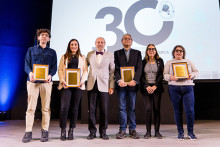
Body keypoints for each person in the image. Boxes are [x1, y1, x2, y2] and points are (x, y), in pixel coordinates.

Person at [22, 29, 57, 143]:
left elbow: (54, 67)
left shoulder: (52, 52)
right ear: (38, 38)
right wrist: (30, 73)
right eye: (42, 35)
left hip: (46, 83)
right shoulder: (31, 50)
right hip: (32, 82)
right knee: (30, 108)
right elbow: (27, 64)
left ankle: (45, 130)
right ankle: (28, 132)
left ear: (49, 39)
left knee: (46, 108)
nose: (43, 37)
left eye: (46, 36)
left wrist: (50, 75)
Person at [163, 45, 199, 140]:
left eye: (181, 51)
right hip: (174, 88)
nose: (179, 52)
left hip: (188, 88)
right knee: (177, 112)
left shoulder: (189, 62)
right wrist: (170, 77)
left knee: (190, 111)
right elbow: (165, 74)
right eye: (177, 50)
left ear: (183, 53)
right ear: (173, 52)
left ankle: (190, 133)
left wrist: (191, 75)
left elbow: (196, 72)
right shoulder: (169, 63)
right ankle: (180, 133)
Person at [57, 39, 88, 141]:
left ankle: (71, 130)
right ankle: (63, 130)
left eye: (75, 44)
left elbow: (85, 71)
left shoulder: (83, 57)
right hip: (66, 86)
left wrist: (82, 81)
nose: (74, 46)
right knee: (64, 108)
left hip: (78, 86)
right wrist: (62, 81)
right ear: (69, 46)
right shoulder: (64, 56)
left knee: (75, 108)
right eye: (72, 44)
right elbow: (60, 69)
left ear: (78, 46)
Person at [86, 37, 115, 140]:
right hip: (91, 85)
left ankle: (103, 132)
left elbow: (112, 72)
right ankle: (92, 132)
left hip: (104, 85)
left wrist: (111, 86)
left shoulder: (110, 55)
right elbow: (84, 68)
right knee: (91, 110)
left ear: (104, 44)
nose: (100, 44)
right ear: (95, 43)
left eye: (102, 42)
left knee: (104, 110)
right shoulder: (89, 54)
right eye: (98, 42)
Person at [114, 34, 142, 139]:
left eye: (129, 39)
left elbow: (139, 68)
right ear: (122, 41)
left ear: (132, 41)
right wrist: (119, 80)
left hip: (132, 85)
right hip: (121, 85)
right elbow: (116, 68)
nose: (127, 40)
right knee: (122, 108)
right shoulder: (117, 53)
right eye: (125, 39)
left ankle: (132, 129)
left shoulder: (137, 53)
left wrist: (135, 80)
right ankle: (122, 130)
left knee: (132, 108)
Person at [140, 44, 164, 139]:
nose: (151, 50)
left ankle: (157, 132)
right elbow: (140, 75)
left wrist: (155, 86)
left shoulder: (160, 61)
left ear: (155, 51)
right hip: (146, 89)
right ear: (146, 51)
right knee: (148, 109)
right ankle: (148, 132)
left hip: (156, 88)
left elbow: (161, 75)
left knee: (156, 109)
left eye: (153, 49)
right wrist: (146, 86)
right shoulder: (142, 62)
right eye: (149, 49)